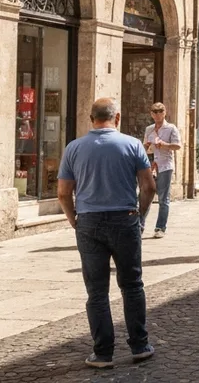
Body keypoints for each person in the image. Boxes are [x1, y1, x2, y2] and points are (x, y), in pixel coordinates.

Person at [56, 98, 156, 369]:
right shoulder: (132, 144)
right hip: (125, 218)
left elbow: (63, 193)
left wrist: (74, 220)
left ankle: (102, 353)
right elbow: (148, 187)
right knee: (132, 284)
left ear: (91, 119)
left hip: (89, 221)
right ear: (118, 117)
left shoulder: (74, 148)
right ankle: (140, 345)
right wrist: (141, 216)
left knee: (97, 291)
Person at [141, 102, 181, 238]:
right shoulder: (149, 129)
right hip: (150, 166)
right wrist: (145, 146)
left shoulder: (171, 128)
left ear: (165, 112)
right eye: (154, 111)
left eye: (160, 111)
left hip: (165, 166)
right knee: (145, 196)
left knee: (163, 199)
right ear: (151, 114)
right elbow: (145, 148)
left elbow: (177, 146)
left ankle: (160, 228)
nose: (157, 114)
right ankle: (139, 226)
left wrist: (164, 145)